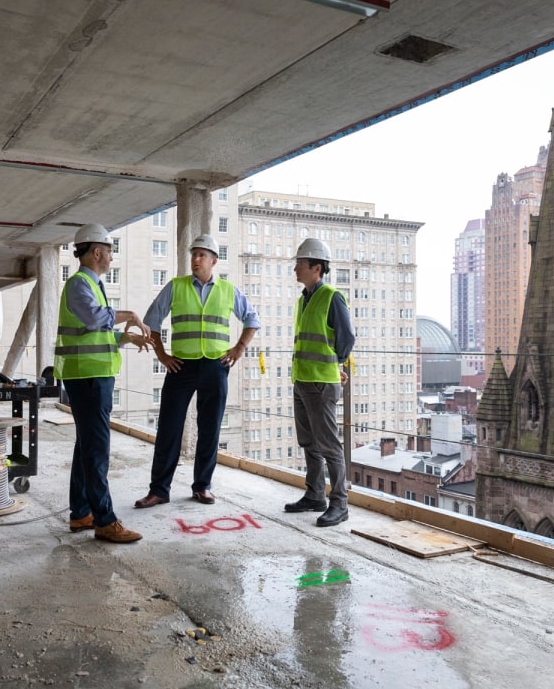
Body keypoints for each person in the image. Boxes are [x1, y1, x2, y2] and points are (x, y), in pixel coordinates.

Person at [134, 234, 259, 508]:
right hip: (181, 366)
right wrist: (162, 356)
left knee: (210, 429)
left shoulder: (228, 290)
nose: (196, 259)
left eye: (202, 255)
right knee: (169, 428)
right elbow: (151, 321)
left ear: (213, 261)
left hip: (216, 366)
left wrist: (238, 348)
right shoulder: (176, 287)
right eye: (194, 254)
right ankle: (159, 490)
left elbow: (252, 319)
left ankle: (202, 486)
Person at [54, 223, 154, 543]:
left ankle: (81, 512)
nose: (111, 256)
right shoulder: (79, 284)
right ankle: (104, 520)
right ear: (97, 251)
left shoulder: (91, 285)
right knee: (97, 450)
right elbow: (97, 318)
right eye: (109, 250)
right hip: (87, 377)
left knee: (87, 446)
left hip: (91, 375)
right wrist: (132, 315)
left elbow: (95, 331)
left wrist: (125, 337)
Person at [284, 237, 355, 527]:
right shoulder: (304, 299)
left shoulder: (331, 297)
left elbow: (346, 338)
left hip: (321, 383)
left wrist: (336, 363)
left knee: (328, 444)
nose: (295, 269)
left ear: (316, 267)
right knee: (309, 442)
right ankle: (315, 495)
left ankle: (340, 503)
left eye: (300, 264)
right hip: (302, 380)